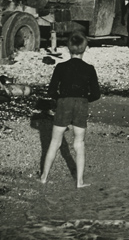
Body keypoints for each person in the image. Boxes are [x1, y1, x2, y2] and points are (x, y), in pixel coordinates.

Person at [40, 31, 101, 188]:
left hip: (64, 103)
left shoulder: (61, 67)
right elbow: (96, 94)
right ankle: (79, 181)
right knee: (79, 143)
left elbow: (51, 91)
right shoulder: (89, 68)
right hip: (81, 103)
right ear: (85, 48)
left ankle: (44, 177)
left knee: (54, 141)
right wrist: (84, 100)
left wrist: (60, 99)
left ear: (68, 48)